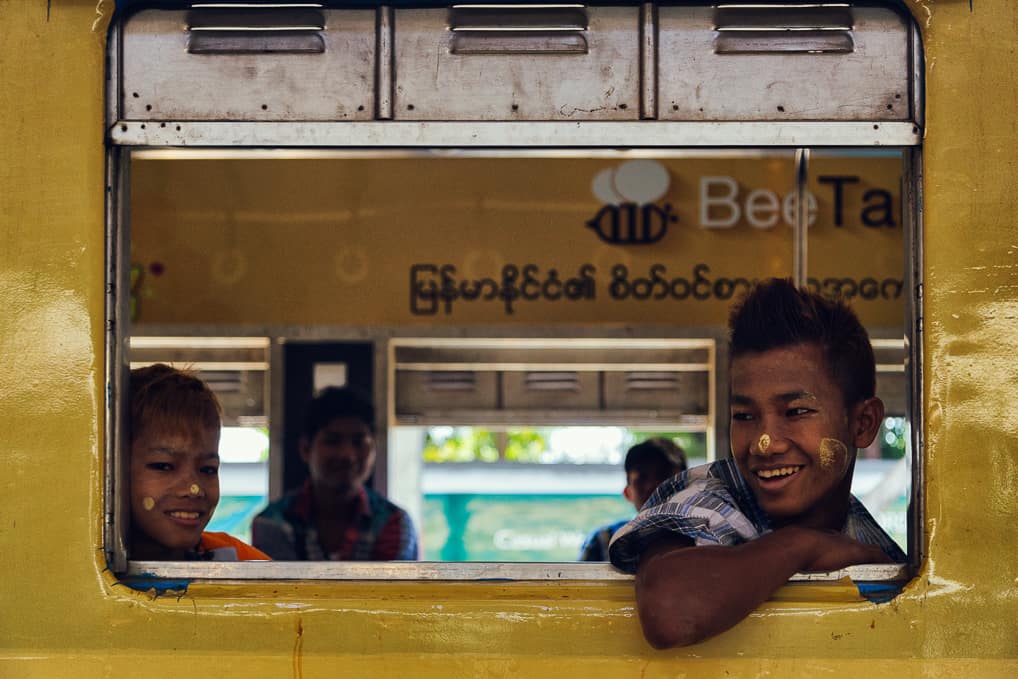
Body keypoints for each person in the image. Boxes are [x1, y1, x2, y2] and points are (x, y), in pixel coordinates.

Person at [609, 278, 906, 649]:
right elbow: (670, 609)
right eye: (745, 416)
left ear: (862, 424)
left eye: (796, 411)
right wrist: (802, 546)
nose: (765, 443)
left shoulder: (858, 527)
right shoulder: (710, 494)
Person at [252, 387, 419, 560]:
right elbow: (278, 587)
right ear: (306, 449)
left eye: (358, 441)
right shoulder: (272, 523)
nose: (347, 455)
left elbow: (392, 587)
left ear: (374, 449)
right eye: (333, 441)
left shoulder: (394, 523)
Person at [129, 363, 269, 560]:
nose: (193, 489)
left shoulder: (240, 562)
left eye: (208, 469)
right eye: (164, 466)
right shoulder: (79, 570)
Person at [578, 438, 687, 561]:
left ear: (687, 489)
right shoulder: (602, 541)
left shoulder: (705, 538)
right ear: (627, 492)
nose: (653, 486)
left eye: (664, 476)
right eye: (642, 478)